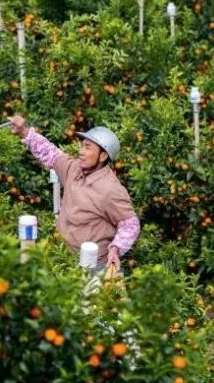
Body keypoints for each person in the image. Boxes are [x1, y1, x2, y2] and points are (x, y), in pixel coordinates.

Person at [10, 116, 140, 273]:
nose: (81, 152)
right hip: (64, 258)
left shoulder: (110, 190)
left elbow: (130, 224)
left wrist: (116, 248)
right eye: (82, 146)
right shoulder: (74, 169)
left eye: (87, 147)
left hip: (93, 267)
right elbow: (51, 153)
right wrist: (24, 132)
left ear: (103, 156)